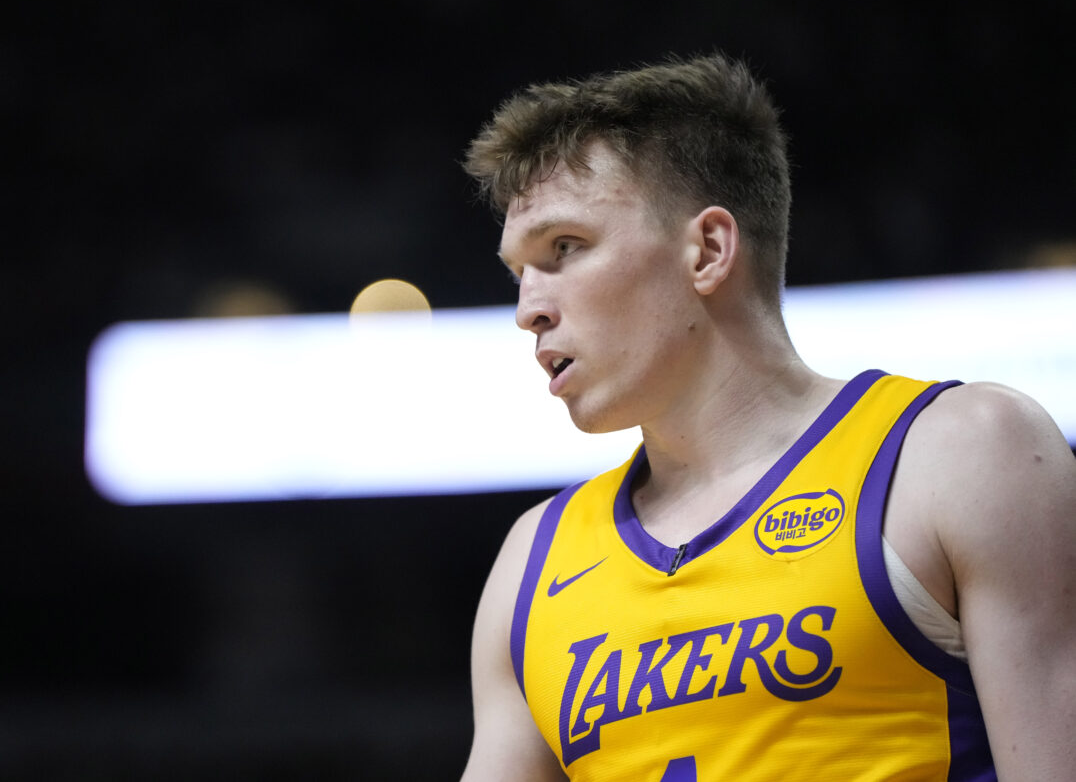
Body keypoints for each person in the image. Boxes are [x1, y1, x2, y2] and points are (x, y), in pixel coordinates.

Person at [457, 54, 1076, 781]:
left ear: (709, 249)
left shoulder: (962, 452)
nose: (529, 307)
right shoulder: (532, 564)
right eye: (518, 272)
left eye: (565, 248)